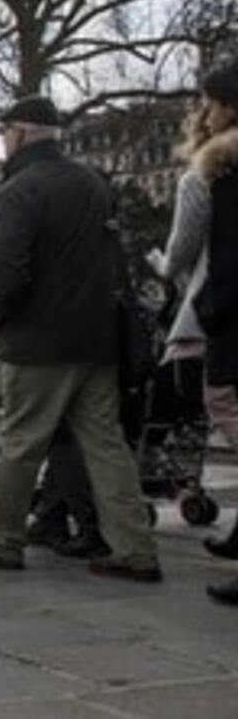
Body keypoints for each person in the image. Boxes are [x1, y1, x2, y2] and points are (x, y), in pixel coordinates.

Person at [0, 95, 163, 584]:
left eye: (5, 133)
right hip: (96, 338)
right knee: (106, 445)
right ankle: (135, 547)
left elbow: (5, 269)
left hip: (37, 340)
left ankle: (2, 539)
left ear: (22, 133)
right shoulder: (93, 184)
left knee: (21, 442)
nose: (4, 142)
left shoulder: (19, 190)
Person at [182, 62, 238, 603]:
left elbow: (226, 256)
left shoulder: (225, 169)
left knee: (224, 402)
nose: (206, 113)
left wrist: (208, 306)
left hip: (232, 318)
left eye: (213, 102)